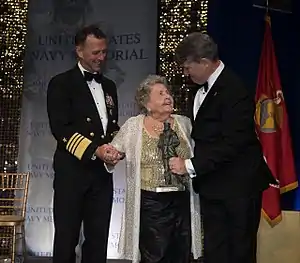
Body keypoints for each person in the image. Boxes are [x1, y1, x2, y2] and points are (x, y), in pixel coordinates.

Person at [169, 32, 277, 263]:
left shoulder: (234, 89)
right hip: (213, 185)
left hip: (239, 187)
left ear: (205, 62)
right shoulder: (200, 89)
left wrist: (190, 165)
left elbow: (233, 142)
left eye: (188, 67)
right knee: (215, 252)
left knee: (238, 253)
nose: (186, 73)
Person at [106, 75, 202, 263]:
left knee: (181, 255)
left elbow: (200, 157)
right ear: (147, 103)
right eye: (160, 94)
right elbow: (113, 152)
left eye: (168, 93)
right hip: (151, 206)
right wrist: (111, 156)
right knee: (154, 256)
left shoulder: (184, 124)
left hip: (181, 201)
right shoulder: (134, 126)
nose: (168, 97)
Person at [47, 24, 122, 263]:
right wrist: (95, 150)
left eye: (104, 52)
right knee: (66, 238)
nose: (101, 57)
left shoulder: (109, 86)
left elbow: (111, 127)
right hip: (72, 172)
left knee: (98, 239)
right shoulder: (61, 84)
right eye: (95, 52)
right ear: (79, 51)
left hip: (101, 176)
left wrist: (117, 146)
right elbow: (61, 130)